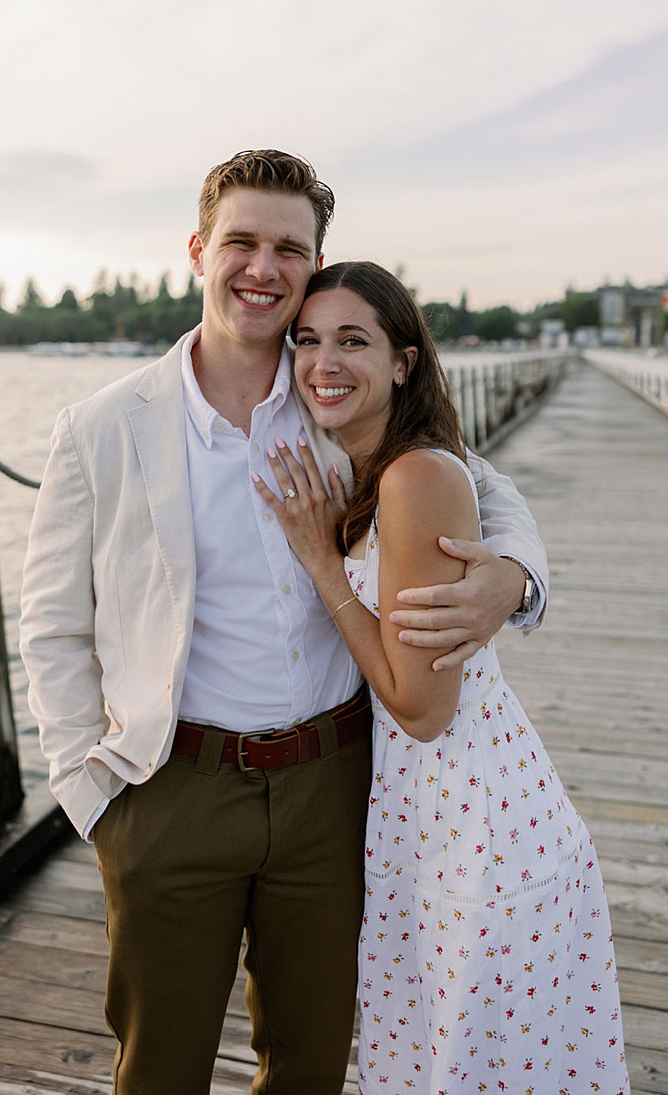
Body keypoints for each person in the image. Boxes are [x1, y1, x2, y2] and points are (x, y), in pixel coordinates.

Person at [18, 149, 550, 1092]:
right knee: (159, 1067)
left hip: (337, 784)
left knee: (311, 1063)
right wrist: (91, 799)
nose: (264, 268)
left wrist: (513, 578)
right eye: (243, 242)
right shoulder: (103, 426)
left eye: (290, 249)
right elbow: (54, 624)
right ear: (198, 250)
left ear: (314, 264)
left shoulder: (337, 397)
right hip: (169, 789)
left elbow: (480, 486)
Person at [255, 260, 625, 1090]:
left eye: (354, 340)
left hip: (477, 828)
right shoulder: (357, 455)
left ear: (404, 361)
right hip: (422, 820)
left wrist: (322, 562)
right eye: (307, 340)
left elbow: (422, 707)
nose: (324, 362)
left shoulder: (414, 474)